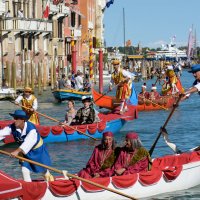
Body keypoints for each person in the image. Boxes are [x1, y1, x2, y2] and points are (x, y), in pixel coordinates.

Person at [0, 110, 53, 182]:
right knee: (24, 169)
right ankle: (28, 187)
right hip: (24, 151)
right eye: (14, 118)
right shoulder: (12, 127)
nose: (14, 120)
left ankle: (49, 180)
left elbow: (28, 142)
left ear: (23, 120)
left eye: (16, 118)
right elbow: (2, 133)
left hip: (37, 150)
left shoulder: (31, 129)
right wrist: (18, 151)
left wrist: (17, 151)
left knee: (42, 169)